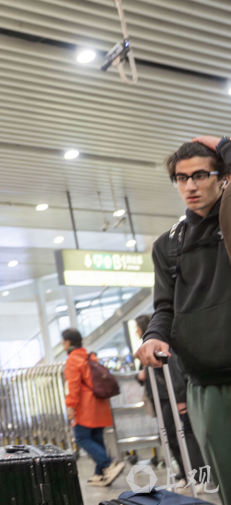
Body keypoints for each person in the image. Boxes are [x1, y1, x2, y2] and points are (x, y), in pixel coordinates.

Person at [137, 137, 231, 498]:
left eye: (201, 175)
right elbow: (165, 306)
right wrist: (153, 336)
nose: (190, 186)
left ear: (223, 177)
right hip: (204, 385)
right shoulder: (169, 244)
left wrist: (224, 144)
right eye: (181, 178)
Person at [134, 314, 206, 482]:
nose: (136, 331)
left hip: (171, 397)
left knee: (182, 435)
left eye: (137, 327)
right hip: (163, 398)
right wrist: (139, 377)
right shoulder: (147, 347)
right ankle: (186, 473)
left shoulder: (160, 344)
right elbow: (146, 372)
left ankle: (196, 475)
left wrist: (179, 398)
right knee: (172, 437)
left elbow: (174, 372)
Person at [62, 329, 124, 487]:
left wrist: (70, 406)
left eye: (63, 341)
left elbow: (73, 386)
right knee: (96, 438)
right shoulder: (90, 356)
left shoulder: (73, 360)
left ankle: (109, 464)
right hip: (100, 403)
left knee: (81, 437)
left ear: (68, 342)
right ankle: (99, 474)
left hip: (86, 406)